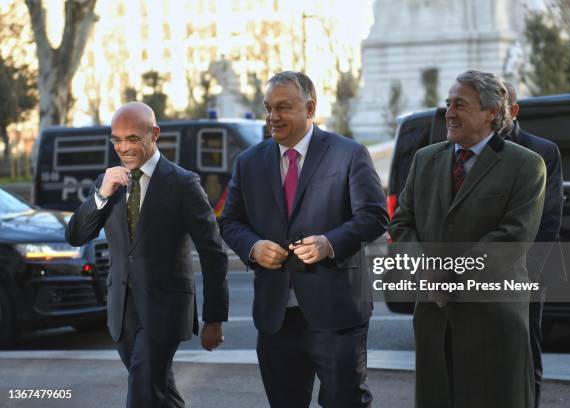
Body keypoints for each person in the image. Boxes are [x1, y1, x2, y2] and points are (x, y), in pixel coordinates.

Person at [220, 71, 388, 408]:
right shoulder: (248, 162)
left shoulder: (349, 154)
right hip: (276, 317)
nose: (273, 117)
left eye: (283, 107)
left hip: (337, 314)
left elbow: (374, 216)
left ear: (310, 108)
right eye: (268, 108)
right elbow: (231, 222)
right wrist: (253, 247)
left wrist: (330, 243)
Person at [389, 70, 546, 408]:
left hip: (493, 324)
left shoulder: (527, 166)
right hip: (434, 320)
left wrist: (449, 274)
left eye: (460, 104)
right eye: (448, 103)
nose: (449, 112)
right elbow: (402, 223)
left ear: (492, 112)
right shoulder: (425, 159)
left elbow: (512, 239)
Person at [65, 102, 228, 408]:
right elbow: (75, 235)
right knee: (158, 392)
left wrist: (214, 318)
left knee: (142, 391)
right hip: (121, 311)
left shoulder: (183, 183)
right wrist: (102, 195)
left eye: (132, 139)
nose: (123, 147)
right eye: (116, 139)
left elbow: (213, 252)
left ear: (154, 134)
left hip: (166, 309)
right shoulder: (109, 182)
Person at [501, 81, 566, 408]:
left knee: (527, 351)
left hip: (525, 272)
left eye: (499, 106)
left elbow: (549, 218)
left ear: (513, 111)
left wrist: (526, 274)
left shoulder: (543, 150)